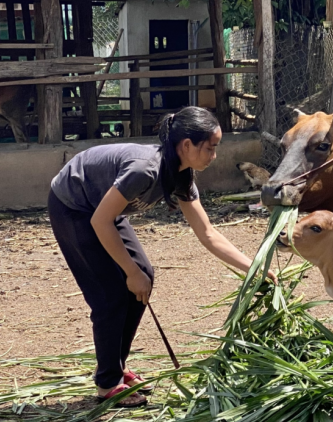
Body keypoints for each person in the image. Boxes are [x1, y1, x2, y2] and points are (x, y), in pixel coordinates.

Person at [48, 107, 275, 407]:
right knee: (112, 294)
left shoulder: (181, 175)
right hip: (75, 206)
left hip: (104, 210)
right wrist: (129, 272)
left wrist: (254, 268)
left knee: (146, 275)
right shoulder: (145, 170)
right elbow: (100, 222)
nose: (214, 156)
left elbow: (207, 233)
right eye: (210, 148)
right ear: (186, 146)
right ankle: (107, 382)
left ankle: (118, 366)